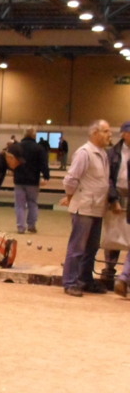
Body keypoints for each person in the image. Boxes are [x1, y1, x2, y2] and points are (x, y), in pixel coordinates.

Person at [60, 120, 113, 297]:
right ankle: (70, 282)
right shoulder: (84, 153)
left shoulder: (103, 154)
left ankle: (85, 280)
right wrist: (70, 197)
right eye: (106, 131)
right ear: (95, 133)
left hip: (97, 208)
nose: (110, 135)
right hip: (83, 208)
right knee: (77, 248)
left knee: (92, 247)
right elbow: (70, 180)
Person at [12, 127, 50, 234]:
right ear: (34, 135)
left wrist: (12, 171)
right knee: (33, 203)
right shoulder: (39, 148)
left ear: (23, 135)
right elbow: (44, 164)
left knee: (19, 205)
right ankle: (31, 225)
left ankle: (20, 227)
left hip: (19, 180)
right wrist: (46, 176)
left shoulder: (17, 147)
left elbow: (11, 162)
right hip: (33, 181)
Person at [108, 122, 130, 297]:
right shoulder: (113, 153)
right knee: (113, 235)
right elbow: (108, 178)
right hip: (116, 193)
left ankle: (123, 277)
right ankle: (110, 270)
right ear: (123, 134)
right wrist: (113, 198)